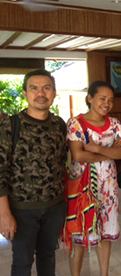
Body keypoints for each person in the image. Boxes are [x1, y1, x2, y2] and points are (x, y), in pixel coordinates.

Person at [0, 69, 67, 275]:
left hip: (55, 207)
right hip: (22, 210)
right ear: (24, 93)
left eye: (46, 88)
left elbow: (61, 163)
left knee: (48, 256)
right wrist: (4, 213)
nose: (40, 93)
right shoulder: (11, 124)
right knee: (22, 263)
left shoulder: (59, 124)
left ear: (54, 93)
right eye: (34, 88)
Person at [64, 81, 121, 276]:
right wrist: (111, 153)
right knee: (80, 234)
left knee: (105, 234)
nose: (106, 103)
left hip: (108, 189)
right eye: (102, 98)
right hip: (83, 188)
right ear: (90, 98)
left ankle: (104, 274)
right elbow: (79, 156)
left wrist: (98, 149)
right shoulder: (76, 123)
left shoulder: (115, 123)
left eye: (110, 100)